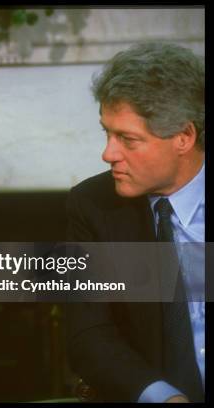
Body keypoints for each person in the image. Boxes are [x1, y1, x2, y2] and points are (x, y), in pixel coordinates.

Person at [66, 42, 205, 402]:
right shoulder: (92, 205)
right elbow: (89, 333)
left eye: (127, 139)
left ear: (183, 137)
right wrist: (163, 398)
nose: (108, 154)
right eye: (107, 133)